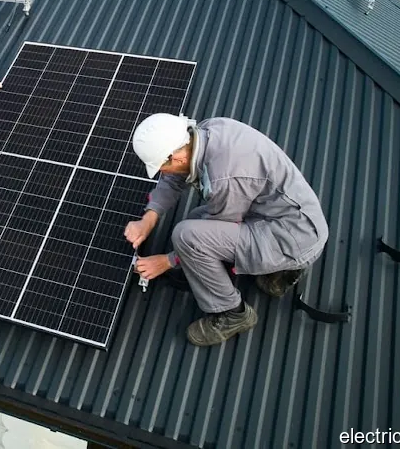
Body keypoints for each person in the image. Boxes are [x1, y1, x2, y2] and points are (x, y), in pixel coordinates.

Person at [124, 114, 329, 347]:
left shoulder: (224, 177)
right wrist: (149, 219)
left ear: (176, 158)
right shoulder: (203, 133)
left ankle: (233, 313)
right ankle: (280, 272)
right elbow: (174, 179)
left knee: (187, 236)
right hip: (284, 216)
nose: (162, 172)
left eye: (162, 166)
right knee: (194, 221)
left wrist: (167, 261)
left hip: (293, 237)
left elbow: (214, 230)